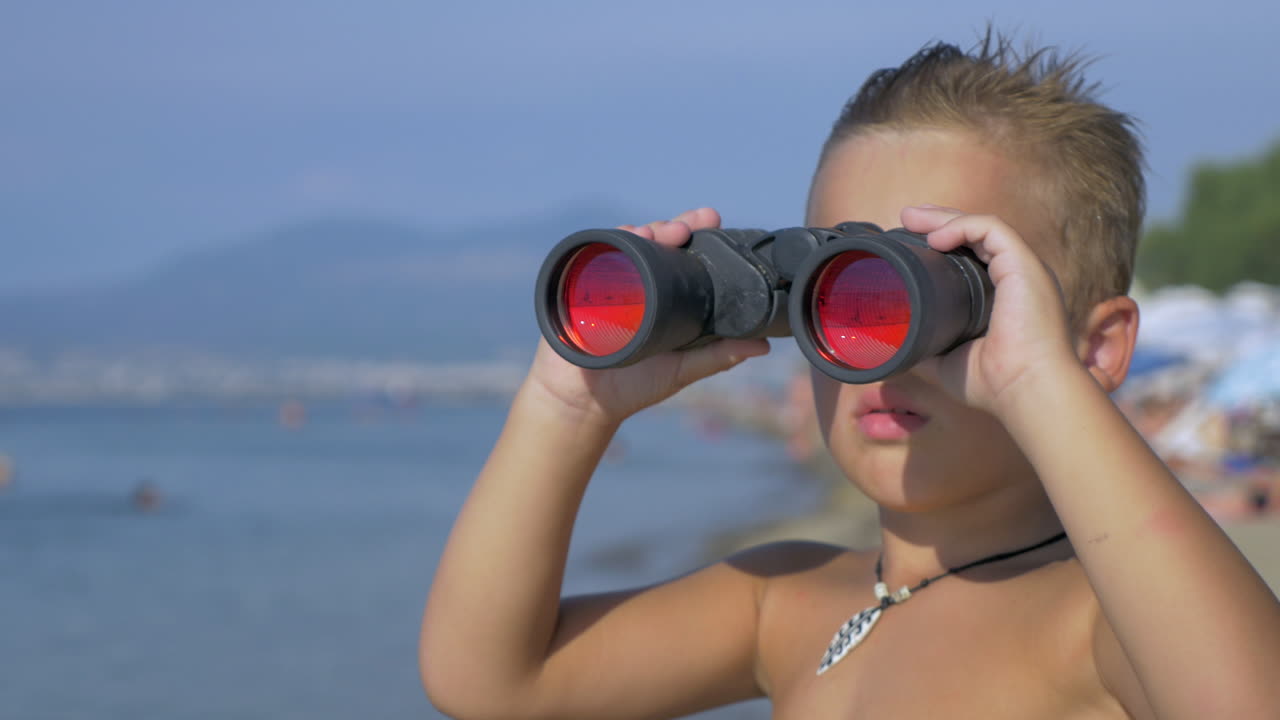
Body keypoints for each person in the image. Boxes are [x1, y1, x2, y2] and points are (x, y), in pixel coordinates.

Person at [421, 31, 1280, 718]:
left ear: (1094, 351)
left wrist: (1037, 385)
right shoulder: (788, 599)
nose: (875, 347)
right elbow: (491, 683)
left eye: (928, 295)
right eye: (836, 291)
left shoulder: (1093, 627)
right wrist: (564, 410)